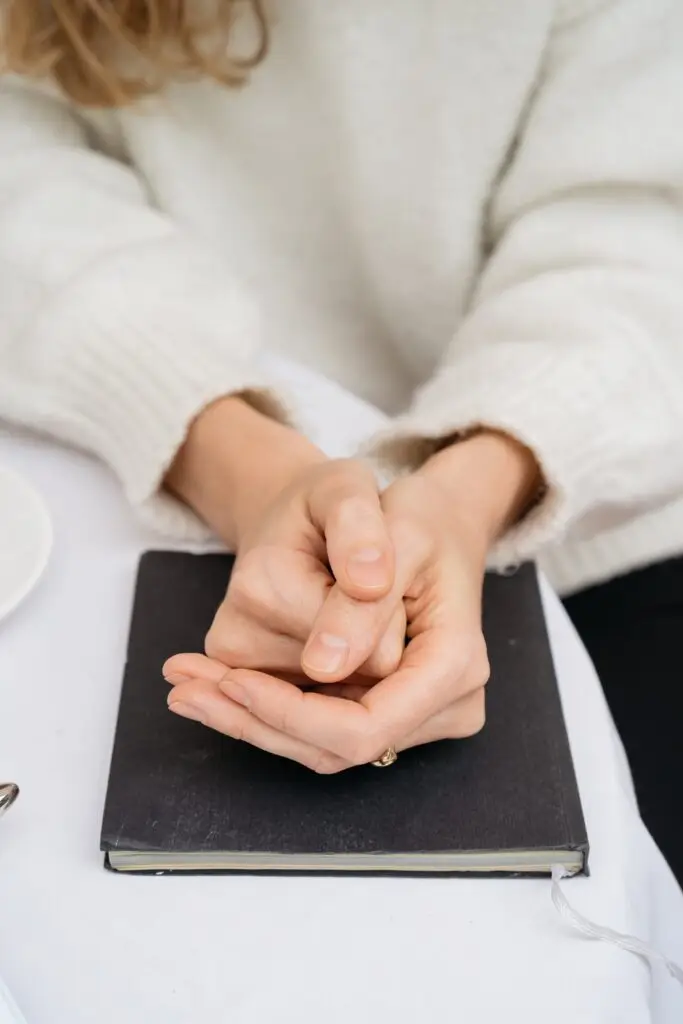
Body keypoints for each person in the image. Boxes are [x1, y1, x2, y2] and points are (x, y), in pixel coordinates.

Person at [1, 1, 683, 878]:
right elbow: (22, 175)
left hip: (602, 497)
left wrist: (469, 490)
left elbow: (646, 230)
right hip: (146, 455)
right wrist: (244, 466)